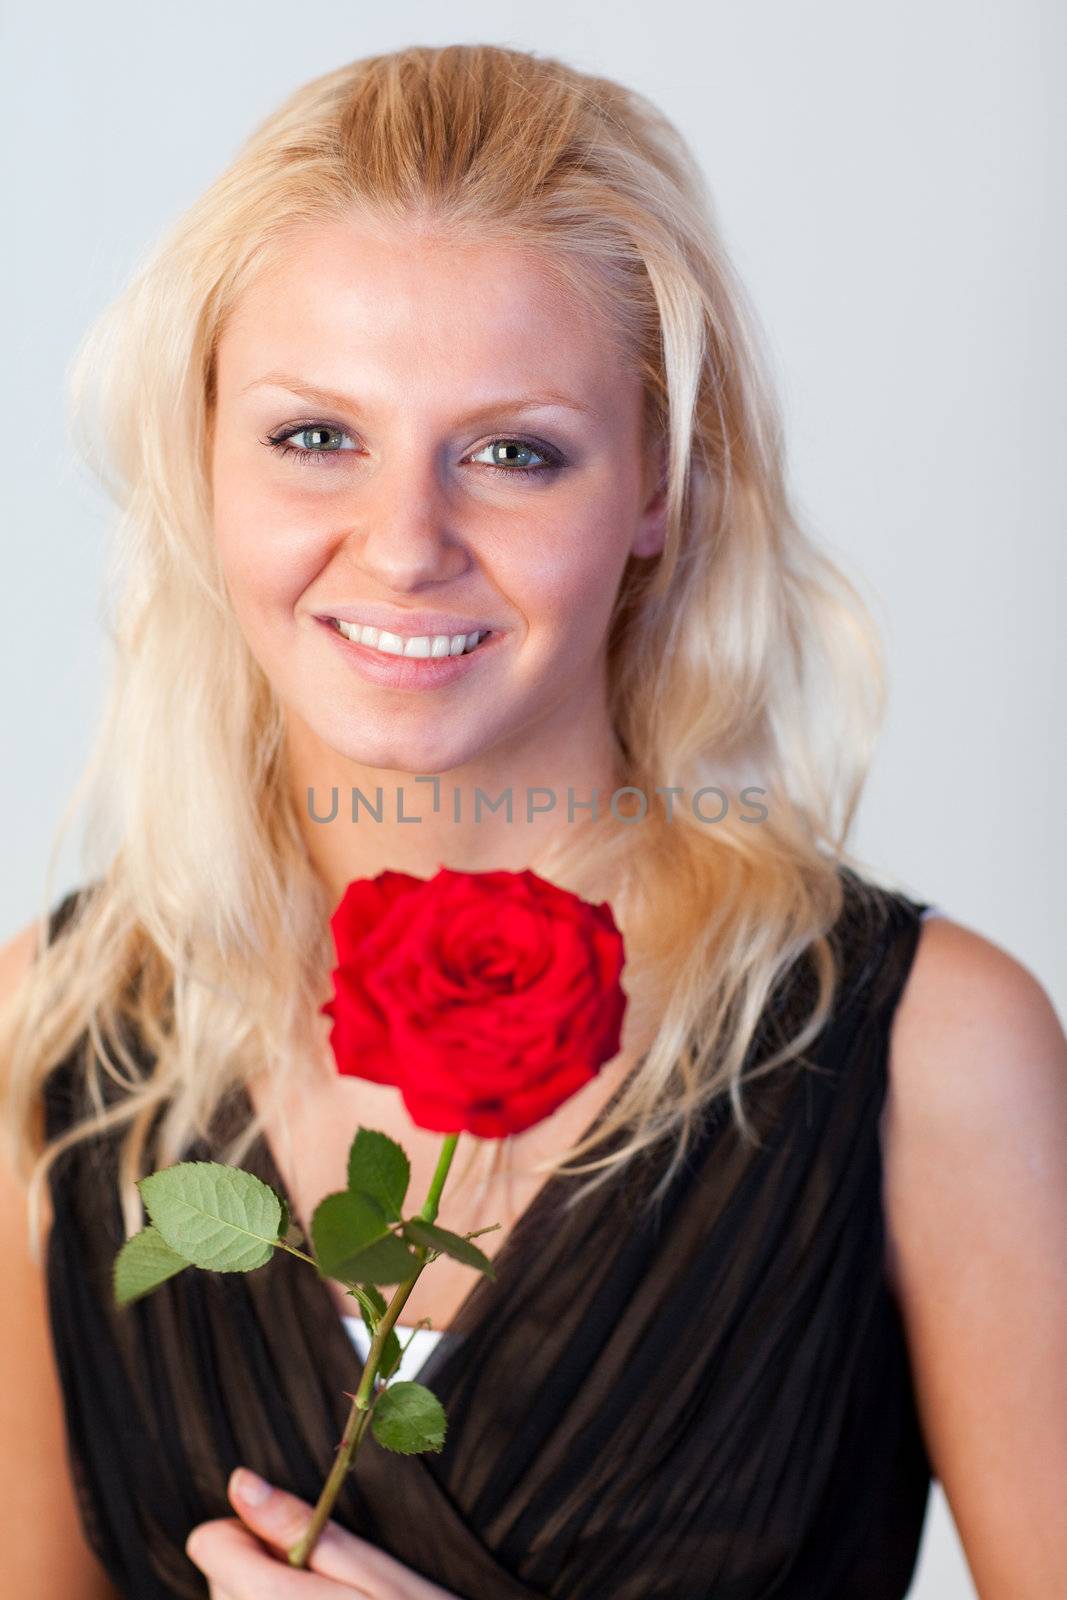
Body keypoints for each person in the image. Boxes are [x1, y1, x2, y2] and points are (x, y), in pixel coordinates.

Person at [1, 41, 1064, 1600]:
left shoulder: (929, 1052)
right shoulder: (60, 1034)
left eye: (514, 454)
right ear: (203, 459)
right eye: (315, 438)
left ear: (659, 490)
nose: (404, 543)